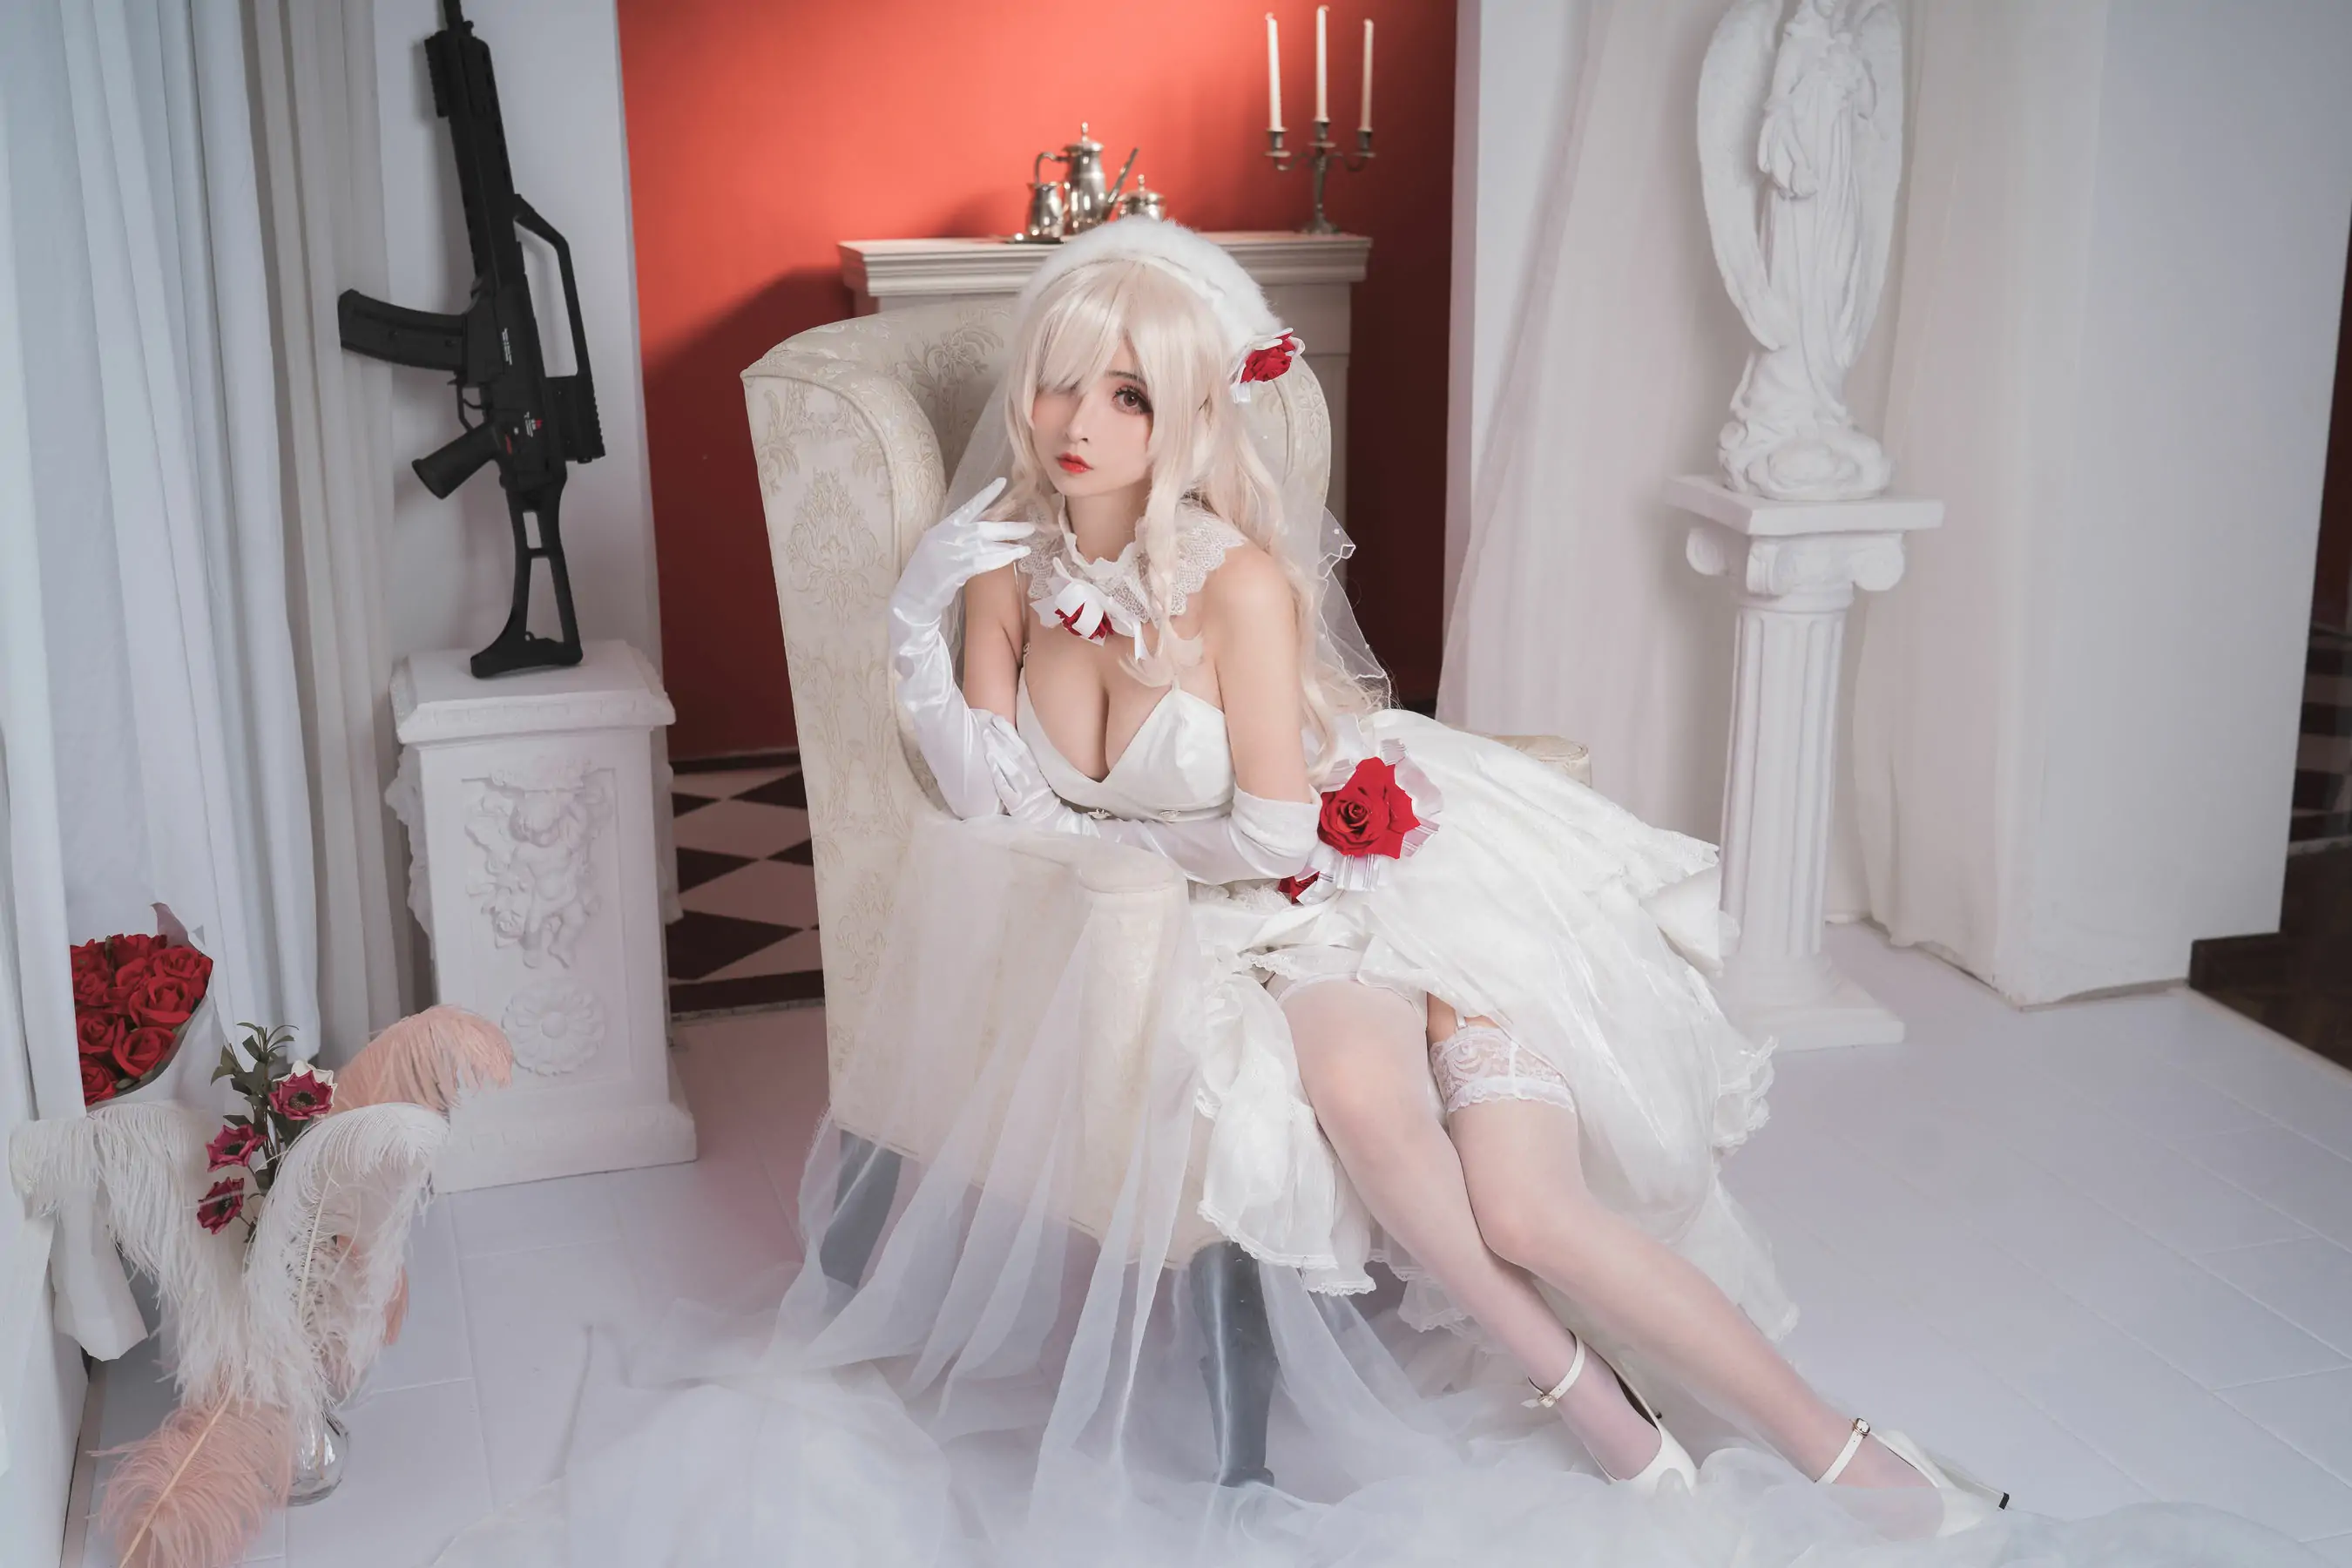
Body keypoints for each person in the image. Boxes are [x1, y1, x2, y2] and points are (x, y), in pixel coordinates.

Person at [432, 220, 2314, 1567]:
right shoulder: (1001, 569)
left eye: (1128, 396)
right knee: (1360, 1105)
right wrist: (942, 619)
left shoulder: (1241, 587)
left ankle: (1840, 1452)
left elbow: (1278, 832)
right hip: (1234, 919)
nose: (1079, 420)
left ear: (1186, 422)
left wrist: (1160, 799)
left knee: (1521, 1195)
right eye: (1061, 382)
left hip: (1376, 875)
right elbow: (991, 795)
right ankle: (1603, 1413)